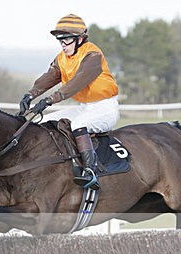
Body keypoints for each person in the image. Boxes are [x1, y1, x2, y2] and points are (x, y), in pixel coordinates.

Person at [18, 14, 119, 191]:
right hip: (84, 108)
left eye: (67, 41)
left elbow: (76, 83)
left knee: (79, 125)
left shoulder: (92, 55)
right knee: (41, 122)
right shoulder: (62, 58)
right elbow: (49, 77)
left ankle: (91, 171)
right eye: (60, 41)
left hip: (105, 108)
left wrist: (49, 100)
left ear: (80, 39)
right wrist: (30, 95)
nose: (63, 45)